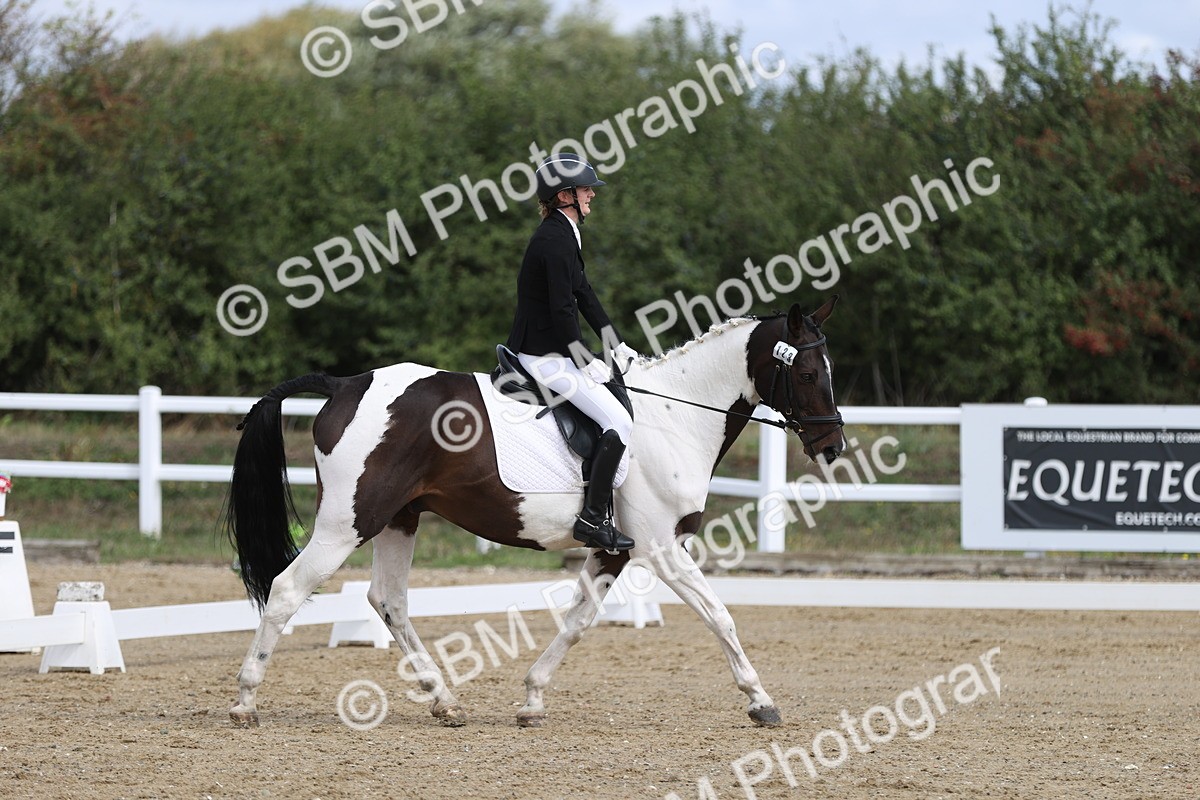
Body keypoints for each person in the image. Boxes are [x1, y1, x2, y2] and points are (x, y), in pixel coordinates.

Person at [505, 153, 638, 552]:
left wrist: (615, 341)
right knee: (619, 421)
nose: (591, 196)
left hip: (552, 350)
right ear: (565, 196)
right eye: (585, 190)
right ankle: (593, 518)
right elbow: (563, 308)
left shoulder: (564, 233)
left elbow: (584, 293)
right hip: (543, 356)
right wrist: (585, 358)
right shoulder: (553, 239)